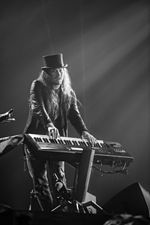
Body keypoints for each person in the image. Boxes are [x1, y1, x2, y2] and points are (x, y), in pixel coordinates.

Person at [23, 53, 97, 211]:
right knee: (41, 186)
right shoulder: (37, 86)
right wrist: (49, 124)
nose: (60, 74)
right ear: (47, 73)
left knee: (60, 183)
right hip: (35, 142)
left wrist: (84, 131)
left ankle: (61, 216)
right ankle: (49, 218)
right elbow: (38, 108)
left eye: (62, 70)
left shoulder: (68, 92)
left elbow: (75, 116)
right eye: (55, 71)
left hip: (57, 143)